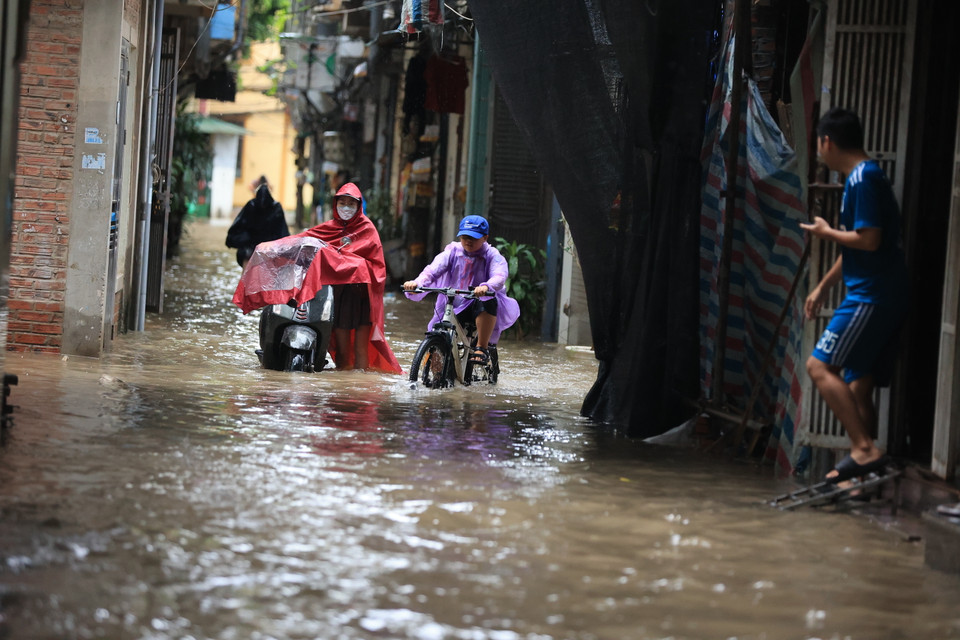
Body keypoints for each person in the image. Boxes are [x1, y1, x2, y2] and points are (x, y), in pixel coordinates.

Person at [799, 107, 909, 484]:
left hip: (871, 295)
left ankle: (863, 450)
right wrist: (822, 287)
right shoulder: (861, 178)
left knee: (818, 367)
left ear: (827, 141)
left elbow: (869, 239)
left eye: (818, 143)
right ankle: (864, 474)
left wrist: (826, 232)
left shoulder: (862, 179)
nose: (818, 151)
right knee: (859, 383)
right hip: (876, 290)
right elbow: (857, 249)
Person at [301, 183, 401, 373]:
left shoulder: (368, 229)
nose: (346, 207)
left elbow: (378, 267)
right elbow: (304, 241)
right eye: (342, 203)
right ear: (335, 205)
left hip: (361, 295)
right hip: (339, 295)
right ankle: (343, 386)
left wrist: (353, 265)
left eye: (351, 204)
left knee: (361, 345)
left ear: (358, 206)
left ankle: (357, 388)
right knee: (341, 345)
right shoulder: (328, 229)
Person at [402, 215, 520, 368]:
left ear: (485, 237)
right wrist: (416, 283)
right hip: (453, 303)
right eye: (465, 237)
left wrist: (486, 287)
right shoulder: (451, 252)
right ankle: (436, 376)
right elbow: (431, 271)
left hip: (478, 305)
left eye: (473, 237)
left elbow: (500, 275)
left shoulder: (492, 255)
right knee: (437, 337)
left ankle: (481, 348)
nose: (468, 241)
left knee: (488, 300)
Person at [226, 180, 289, 268]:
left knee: (248, 278)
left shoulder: (254, 205)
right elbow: (284, 235)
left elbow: (234, 232)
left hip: (262, 253)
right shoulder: (273, 208)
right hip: (260, 253)